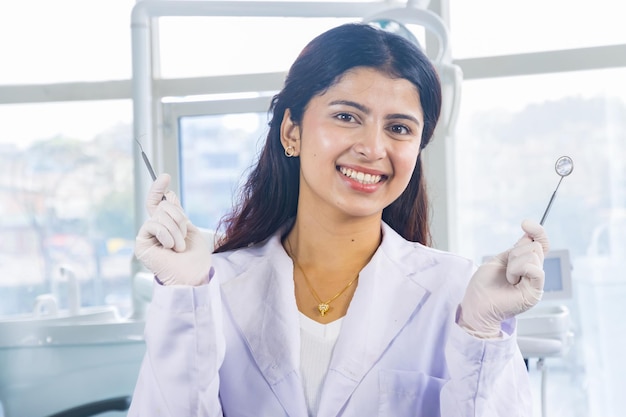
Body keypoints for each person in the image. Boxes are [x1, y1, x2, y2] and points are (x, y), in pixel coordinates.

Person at [128, 22, 549, 417]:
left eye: (399, 128)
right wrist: (185, 296)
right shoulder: (212, 287)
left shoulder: (456, 293)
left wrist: (482, 330)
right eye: (347, 117)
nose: (372, 147)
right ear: (292, 131)